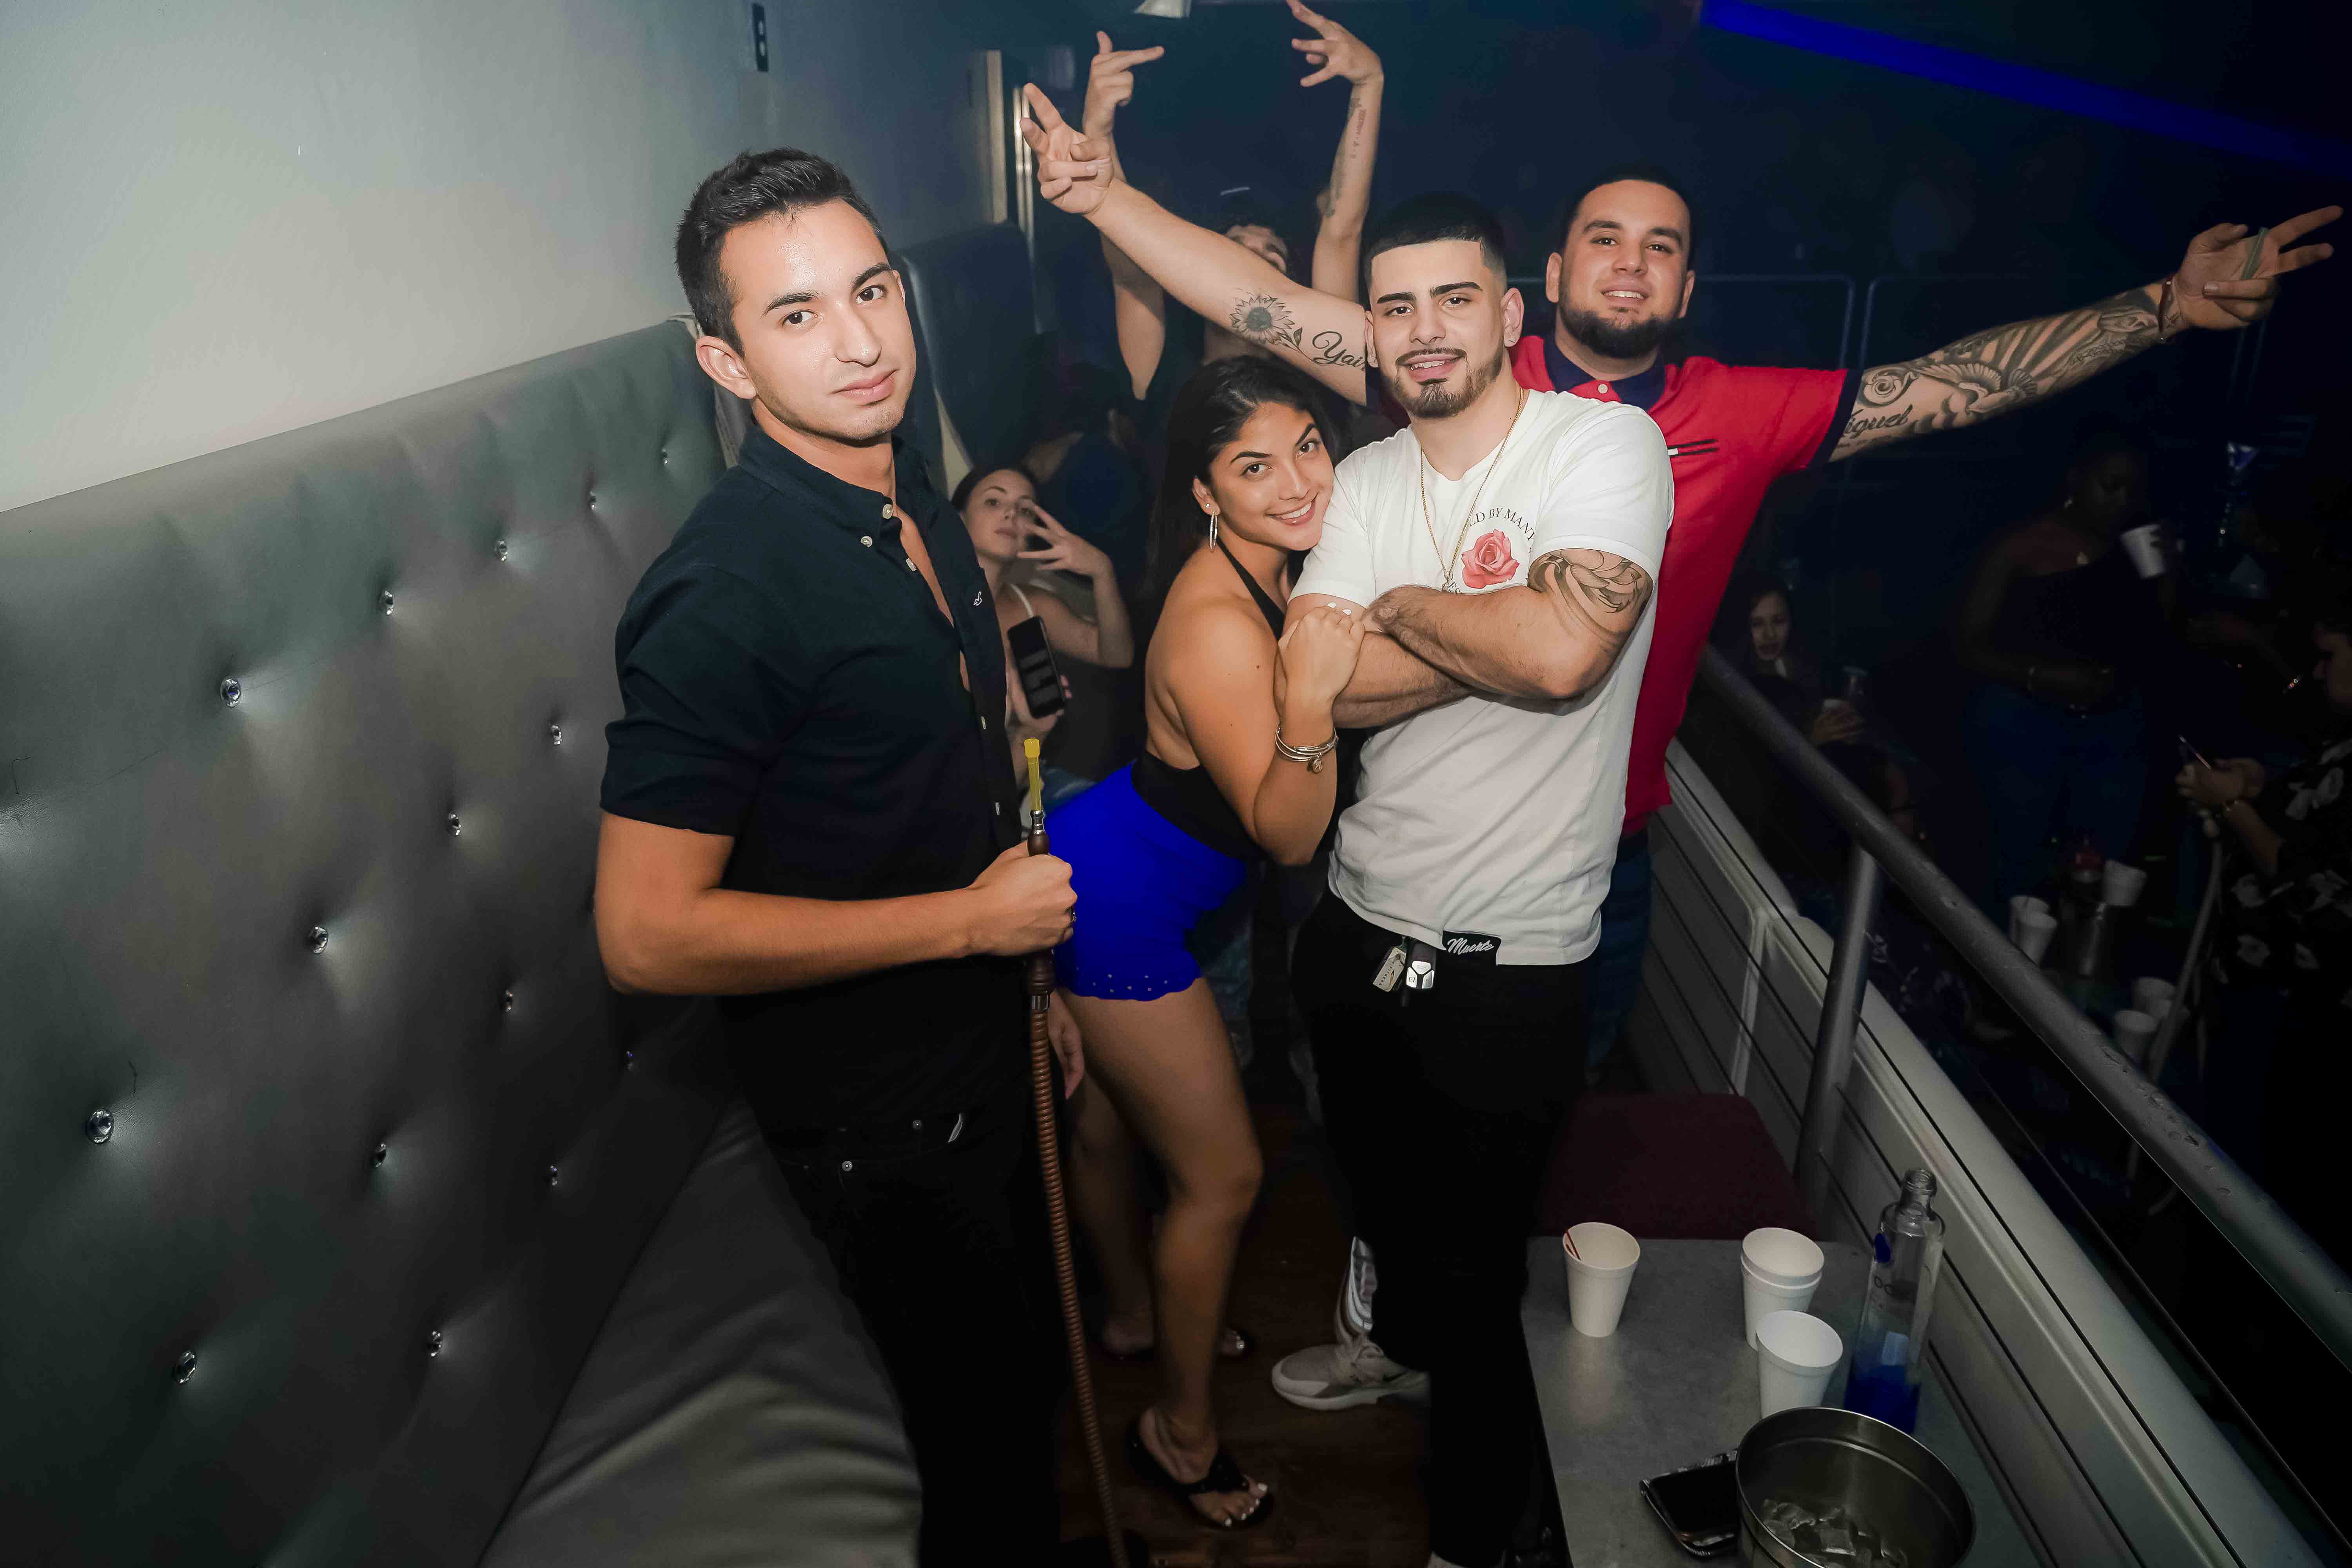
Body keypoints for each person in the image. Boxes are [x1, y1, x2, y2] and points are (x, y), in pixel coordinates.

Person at [1033, 120, 2341, 1412]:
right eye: (1604, 236)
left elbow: (1952, 382)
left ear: (1687, 283)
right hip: (1404, 857)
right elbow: (1261, 304)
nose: (1630, 261)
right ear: (1547, 276)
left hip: (1601, 854)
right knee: (1384, 1148)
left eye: (1660, 245)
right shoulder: (1460, 354)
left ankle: (1490, 1366)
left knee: (1524, 1155)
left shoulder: (1740, 410)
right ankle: (1393, 1326)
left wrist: (2166, 308)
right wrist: (1105, 201)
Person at [1025, 99, 1673, 1565]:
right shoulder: (1364, 487)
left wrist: (1401, 619)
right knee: (1341, 1197)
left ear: (1510, 314)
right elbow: (1323, 705)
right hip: (1321, 921)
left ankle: (1467, 1535)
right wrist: (1479, 630)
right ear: (1370, 335)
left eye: (1453, 299)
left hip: (1510, 956)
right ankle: (1184, 1363)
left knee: (1474, 1280)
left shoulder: (1603, 444)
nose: (1423, 328)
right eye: (1395, 307)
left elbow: (1555, 657)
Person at [593, 149, 1077, 1563]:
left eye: (871, 290)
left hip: (985, 1045)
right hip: (883, 1122)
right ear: (725, 361)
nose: (861, 342)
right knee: (986, 1474)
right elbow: (644, 934)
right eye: (795, 314)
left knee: (1028, 1405)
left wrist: (1030, 992)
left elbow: (950, 772)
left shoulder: (909, 491)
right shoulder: (721, 592)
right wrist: (974, 928)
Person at [1048, 355, 1363, 1529]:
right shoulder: (1220, 624)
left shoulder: (1268, 564)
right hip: (1117, 907)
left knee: (1101, 1120)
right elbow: (1287, 835)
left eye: (1307, 446)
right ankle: (1176, 1433)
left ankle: (1138, 1315)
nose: (1295, 481)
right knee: (1222, 1176)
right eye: (1252, 466)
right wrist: (1314, 698)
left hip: (1108, 856)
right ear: (1203, 491)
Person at [1085, 2, 1383, 446]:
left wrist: (1369, 84)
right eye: (1237, 249)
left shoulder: (1325, 369)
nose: (1253, 261)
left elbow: (1342, 228)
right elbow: (1131, 273)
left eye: (1271, 258)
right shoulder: (1167, 374)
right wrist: (1097, 132)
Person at [2176, 586, 2352, 1261]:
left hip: (2307, 1015)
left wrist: (2234, 809)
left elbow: (2323, 896)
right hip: (2265, 989)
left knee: (2261, 1190)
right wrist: (2260, 785)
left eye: (2331, 656)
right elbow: (2325, 818)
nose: (2317, 671)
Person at [1955, 425, 2171, 913]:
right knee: (2019, 866)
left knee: (2103, 869)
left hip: (2113, 725)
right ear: (2077, 480)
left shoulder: (2136, 546)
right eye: (2110, 485)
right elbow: (1966, 646)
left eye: (2132, 489)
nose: (2122, 499)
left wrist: (2166, 572)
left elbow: (2160, 633)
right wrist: (2042, 676)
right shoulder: (2021, 545)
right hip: (2025, 720)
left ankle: (2082, 954)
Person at [952, 460, 1134, 806]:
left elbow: (1117, 655)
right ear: (958, 519)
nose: (1011, 514)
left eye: (1025, 510)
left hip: (1020, 786)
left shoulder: (1033, 604)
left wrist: (1102, 572)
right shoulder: (929, 606)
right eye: (994, 502)